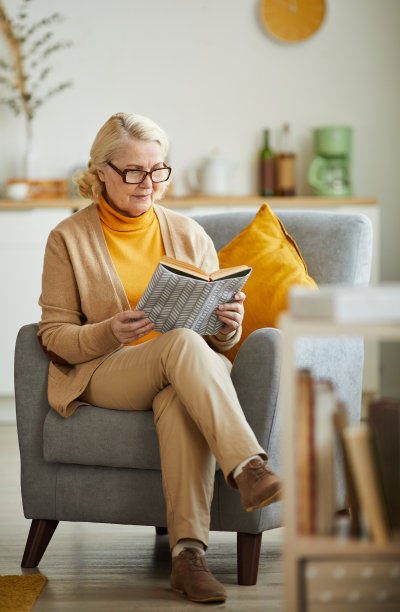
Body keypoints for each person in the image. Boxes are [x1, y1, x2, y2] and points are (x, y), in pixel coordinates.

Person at [38, 112, 282, 604]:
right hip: (106, 370)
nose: (148, 183)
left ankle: (188, 558)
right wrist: (108, 331)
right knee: (180, 345)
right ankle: (249, 468)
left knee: (179, 392)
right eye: (133, 171)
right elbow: (54, 335)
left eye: (157, 169)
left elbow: (214, 343)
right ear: (100, 171)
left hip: (181, 369)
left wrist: (226, 325)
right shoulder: (67, 238)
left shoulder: (189, 233)